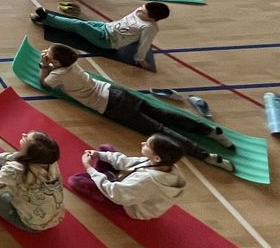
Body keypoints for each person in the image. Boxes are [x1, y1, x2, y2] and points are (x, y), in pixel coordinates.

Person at [39, 44, 235, 171]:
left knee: (159, 130)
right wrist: (52, 60)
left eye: (48, 52)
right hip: (115, 91)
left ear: (56, 62)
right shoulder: (72, 64)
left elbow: (44, 83)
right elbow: (61, 65)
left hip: (111, 105)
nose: (45, 52)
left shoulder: (57, 74)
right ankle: (211, 131)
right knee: (161, 113)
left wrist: (43, 65)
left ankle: (207, 156)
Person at [0, 131, 65, 232]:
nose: (23, 134)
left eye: (27, 138)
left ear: (30, 153)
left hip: (31, 224)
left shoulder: (16, 169)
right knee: (6, 167)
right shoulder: (49, 160)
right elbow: (18, 156)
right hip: (56, 216)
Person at [68, 135, 187, 219]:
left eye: (147, 145)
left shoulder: (147, 180)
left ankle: (103, 178)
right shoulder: (163, 164)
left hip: (130, 205)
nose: (142, 143)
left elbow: (116, 193)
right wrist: (99, 155)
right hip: (131, 188)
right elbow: (128, 162)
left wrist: (89, 168)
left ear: (157, 158)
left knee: (75, 181)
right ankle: (104, 176)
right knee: (105, 149)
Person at [32, 2, 169, 69]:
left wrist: (140, 59)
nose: (138, 11)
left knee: (78, 25)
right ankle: (44, 20)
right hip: (105, 26)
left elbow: (145, 44)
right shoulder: (141, 13)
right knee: (80, 24)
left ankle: (45, 17)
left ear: (152, 19)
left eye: (143, 12)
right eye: (141, 7)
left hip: (106, 40)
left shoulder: (150, 28)